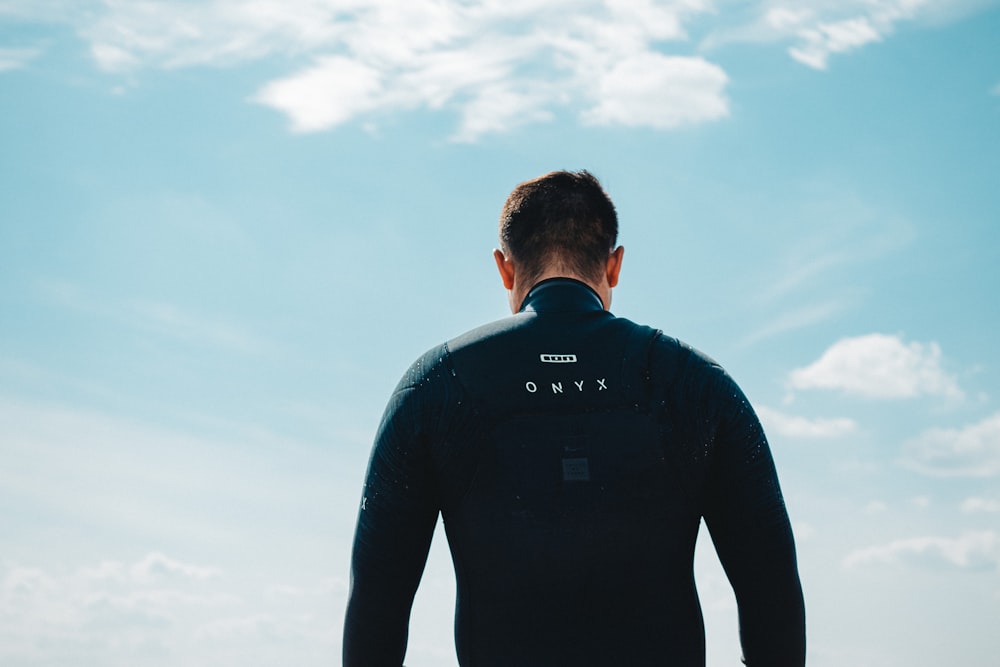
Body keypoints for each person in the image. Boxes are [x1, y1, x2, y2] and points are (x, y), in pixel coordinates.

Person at [343, 170, 805, 666]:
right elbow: (771, 589)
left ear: (504, 268)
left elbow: (378, 601)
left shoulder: (436, 385)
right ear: (614, 265)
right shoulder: (697, 384)